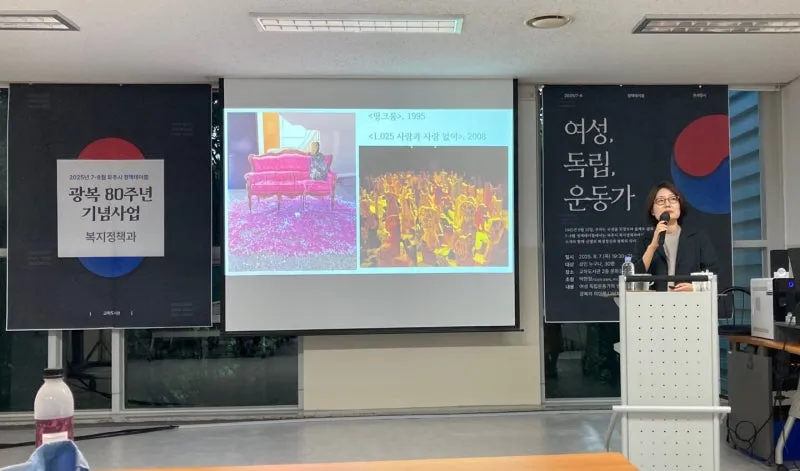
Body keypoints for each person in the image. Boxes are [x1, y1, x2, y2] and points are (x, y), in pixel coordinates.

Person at [632, 181, 718, 292]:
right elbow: (634, 279)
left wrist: (694, 288)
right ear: (652, 211)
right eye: (661, 200)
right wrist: (653, 246)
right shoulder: (644, 240)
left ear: (679, 206)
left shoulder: (698, 237)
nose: (667, 204)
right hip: (655, 301)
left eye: (673, 199)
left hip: (689, 300)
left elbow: (713, 275)